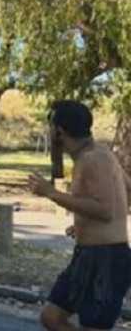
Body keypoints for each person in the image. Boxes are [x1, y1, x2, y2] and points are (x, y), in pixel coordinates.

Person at [29, 101, 131, 331]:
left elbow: (105, 210)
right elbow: (125, 191)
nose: (49, 131)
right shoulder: (101, 153)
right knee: (52, 317)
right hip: (87, 256)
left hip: (107, 260)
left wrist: (51, 192)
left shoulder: (92, 159)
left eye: (51, 126)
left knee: (92, 325)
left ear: (60, 131)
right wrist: (85, 223)